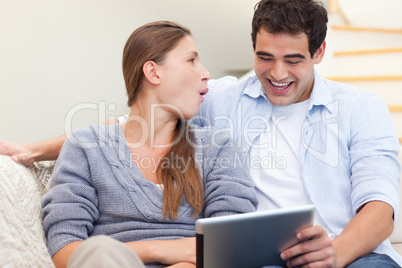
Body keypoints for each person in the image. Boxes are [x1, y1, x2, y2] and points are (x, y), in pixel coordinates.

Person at [1, 0, 401, 267]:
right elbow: (138, 125)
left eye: (293, 60)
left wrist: (333, 254)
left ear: (319, 53)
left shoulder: (360, 109)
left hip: (348, 253)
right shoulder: (224, 98)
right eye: (265, 58)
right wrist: (37, 150)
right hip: (265, 257)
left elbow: (381, 209)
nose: (277, 74)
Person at [40, 21, 258, 268]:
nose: (206, 73)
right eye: (191, 60)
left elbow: (231, 244)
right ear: (154, 73)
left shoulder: (218, 147)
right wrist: (162, 250)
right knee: (99, 251)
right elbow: (64, 251)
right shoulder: (86, 146)